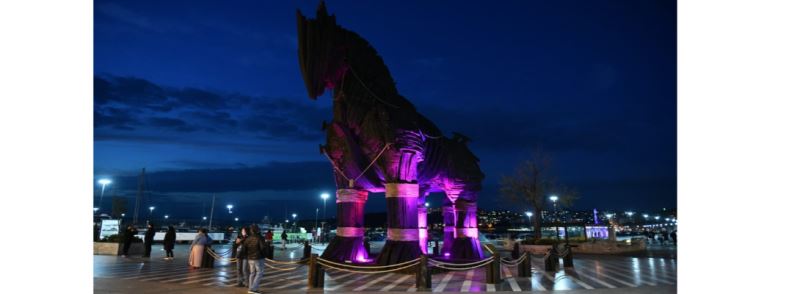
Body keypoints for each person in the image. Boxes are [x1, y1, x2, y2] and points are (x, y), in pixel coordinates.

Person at [243, 224, 266, 294]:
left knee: (252, 273)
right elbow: (263, 248)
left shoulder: (248, 238)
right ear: (257, 230)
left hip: (250, 258)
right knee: (260, 272)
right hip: (258, 258)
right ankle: (253, 289)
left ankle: (251, 288)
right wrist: (264, 254)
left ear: (251, 230)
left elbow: (245, 248)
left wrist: (248, 255)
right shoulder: (260, 237)